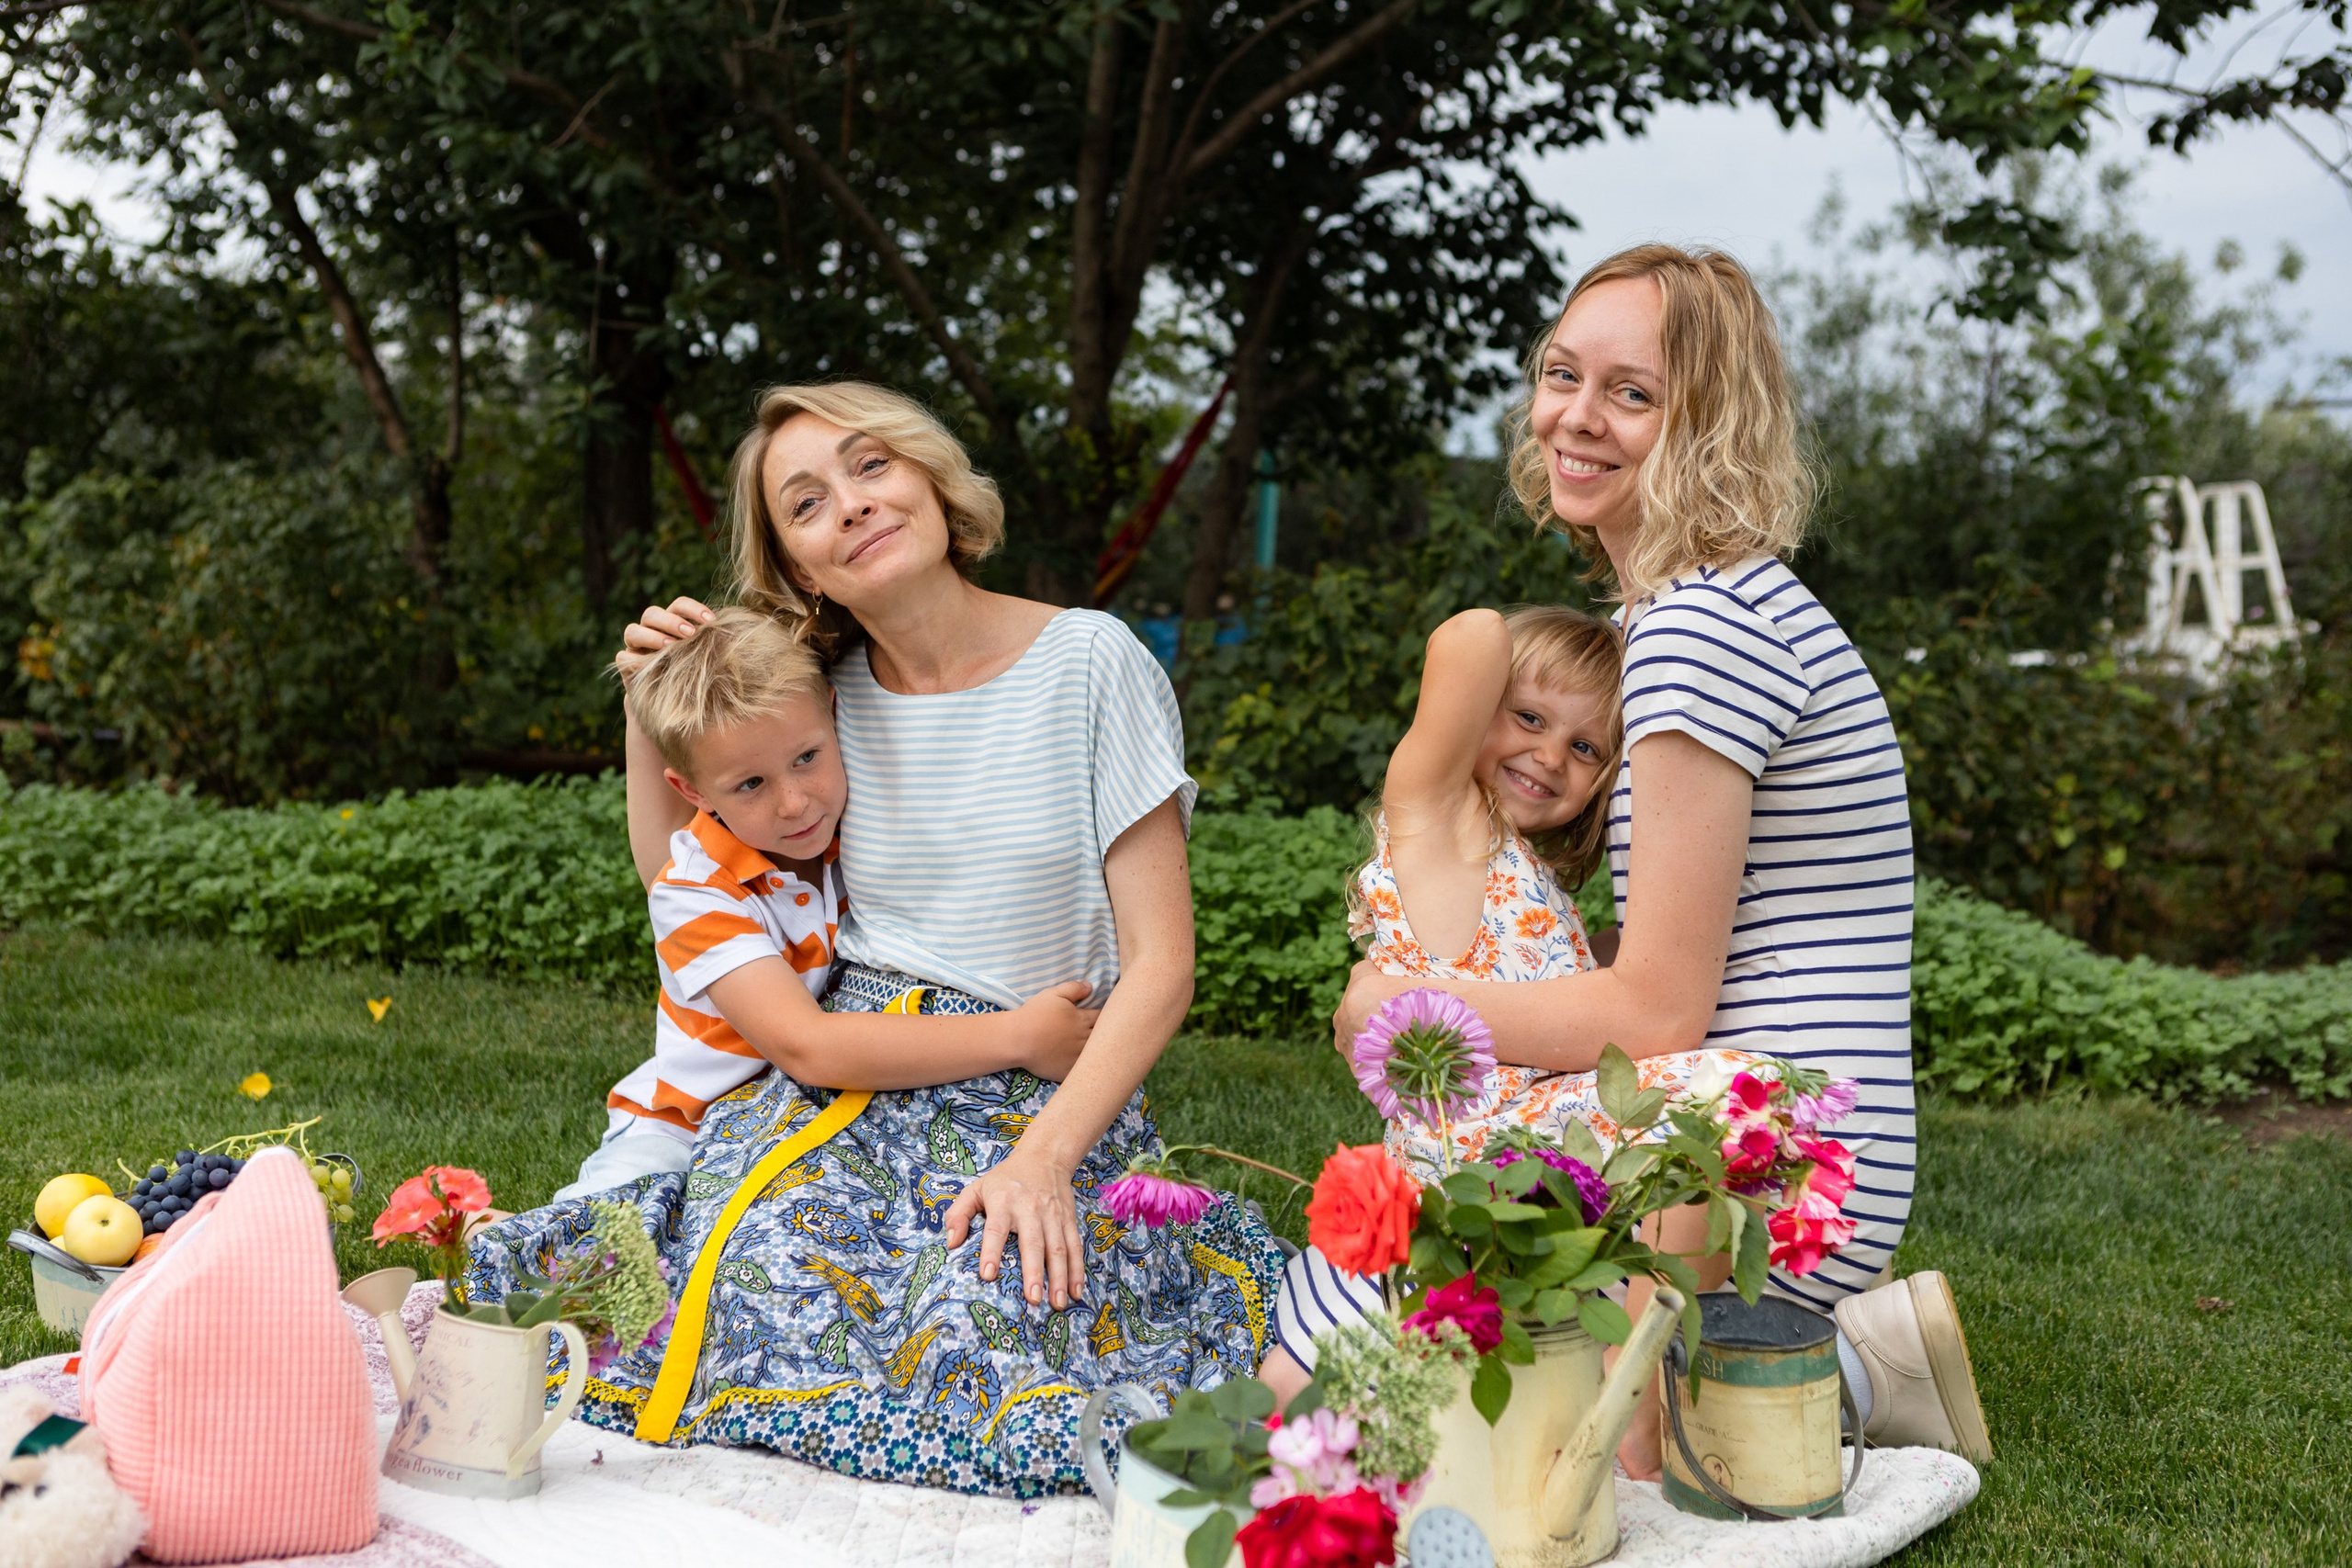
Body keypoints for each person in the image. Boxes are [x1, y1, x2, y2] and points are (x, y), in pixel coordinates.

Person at [468, 382, 1283, 1497]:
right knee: (762, 1271)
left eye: (871, 467)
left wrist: (1043, 1157)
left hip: (1044, 1079)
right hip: (850, 1084)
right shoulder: (816, 701)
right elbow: (682, 867)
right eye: (806, 502)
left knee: (986, 1303)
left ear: (934, 483)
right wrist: (642, 700)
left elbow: (1164, 966)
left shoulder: (1090, 662)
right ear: (800, 567)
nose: (849, 506)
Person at [1327, 244, 1991, 1472]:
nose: (1577, 415)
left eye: (1631, 392)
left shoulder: (1700, 629)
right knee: (1427, 1338)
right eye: (1561, 374)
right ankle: (1815, 1359)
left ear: (1709, 420)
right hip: (1760, 1126)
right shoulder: (1699, 606)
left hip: (1764, 1159)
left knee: (1426, 1381)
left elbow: (1658, 1005)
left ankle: (1799, 1365)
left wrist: (1409, 1004)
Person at [1267, 604, 1758, 1391]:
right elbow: (1470, 639)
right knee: (1726, 1100)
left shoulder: (1533, 882)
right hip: (1470, 1160)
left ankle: (1636, 1381)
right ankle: (1637, 1401)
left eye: (1585, 747)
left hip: (1530, 1154)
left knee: (1718, 1124)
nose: (1548, 755)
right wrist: (1630, 620)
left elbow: (1578, 987)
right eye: (1527, 716)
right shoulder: (1440, 821)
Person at [549, 607, 1098, 1203]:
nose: (794, 803)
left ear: (835, 716)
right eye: (751, 784)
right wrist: (1019, 1035)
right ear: (692, 791)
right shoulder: (695, 892)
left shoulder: (858, 833)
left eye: (806, 757)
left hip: (793, 1115)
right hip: (680, 1126)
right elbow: (807, 1045)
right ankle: (476, 1225)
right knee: (600, 1257)